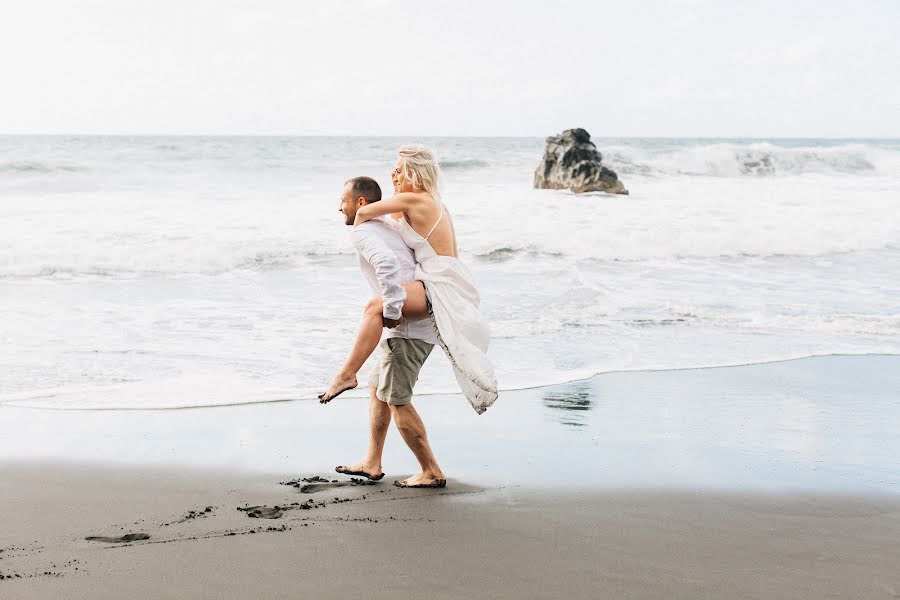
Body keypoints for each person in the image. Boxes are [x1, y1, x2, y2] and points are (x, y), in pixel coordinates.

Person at [319, 145, 498, 414]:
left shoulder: (417, 201)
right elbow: (392, 221)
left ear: (414, 173)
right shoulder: (425, 202)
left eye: (400, 170)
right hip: (444, 278)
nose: (394, 174)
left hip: (438, 283)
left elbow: (365, 212)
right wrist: (396, 187)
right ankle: (372, 455)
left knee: (374, 308)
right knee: (377, 319)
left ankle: (346, 374)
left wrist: (360, 235)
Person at [326, 175, 446, 488]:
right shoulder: (386, 227)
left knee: (397, 399)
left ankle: (431, 470)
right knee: (378, 388)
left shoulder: (363, 231)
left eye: (343, 200)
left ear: (360, 203)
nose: (340, 207)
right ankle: (372, 461)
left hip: (408, 328)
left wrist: (391, 310)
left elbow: (388, 266)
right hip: (411, 322)